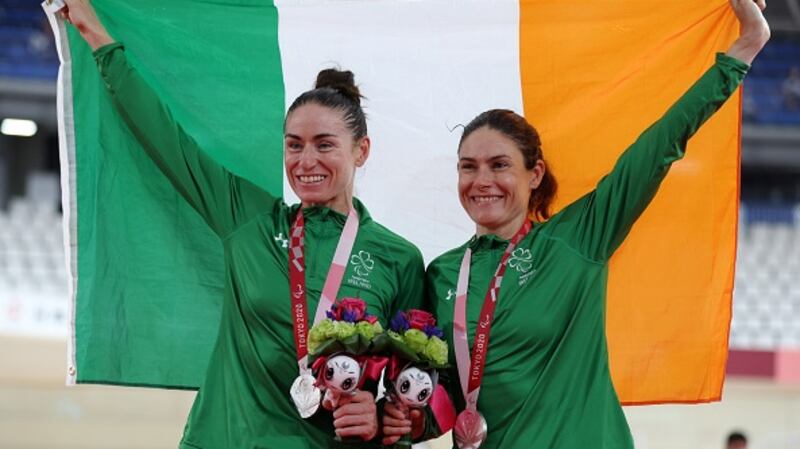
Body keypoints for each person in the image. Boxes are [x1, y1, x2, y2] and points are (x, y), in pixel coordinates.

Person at [381, 0, 770, 447]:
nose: (481, 180)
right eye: (468, 167)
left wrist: (743, 48)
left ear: (535, 174)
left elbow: (660, 144)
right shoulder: (444, 274)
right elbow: (449, 394)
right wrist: (415, 422)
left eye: (499, 165)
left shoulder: (578, 238)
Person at [59, 1, 425, 448]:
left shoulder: (399, 259)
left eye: (324, 145)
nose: (306, 161)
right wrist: (97, 37)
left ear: (361, 151)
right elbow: (168, 140)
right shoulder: (251, 221)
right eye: (294, 145)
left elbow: (407, 399)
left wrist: (380, 419)